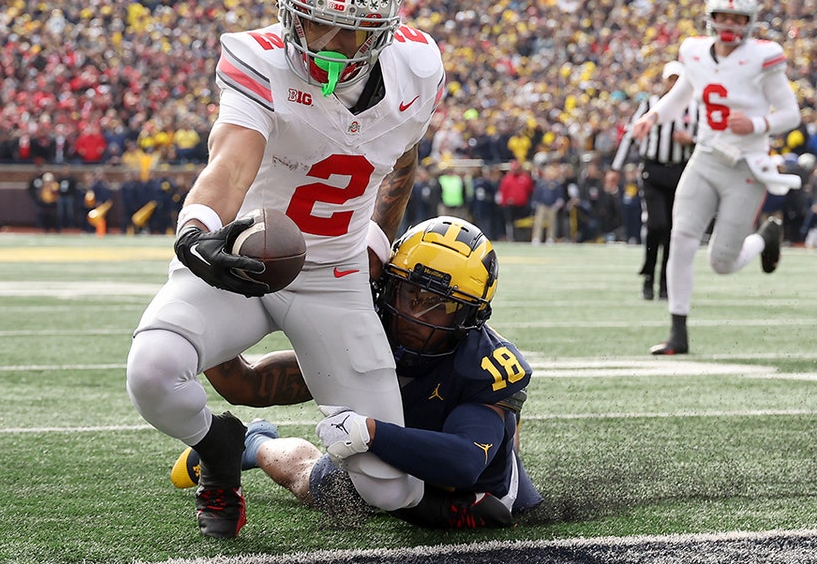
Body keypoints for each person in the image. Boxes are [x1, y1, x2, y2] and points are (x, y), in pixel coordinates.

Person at [125, 0, 442, 539]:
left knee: (390, 487)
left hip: (336, 274)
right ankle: (218, 447)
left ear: (380, 30)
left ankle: (266, 449)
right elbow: (231, 159)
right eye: (310, 19)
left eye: (346, 29)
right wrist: (199, 229)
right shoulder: (258, 57)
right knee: (154, 371)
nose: (321, 40)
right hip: (246, 255)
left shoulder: (418, 68)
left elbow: (403, 157)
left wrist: (379, 240)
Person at [169, 217, 540, 529]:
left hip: (450, 480)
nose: (415, 314)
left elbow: (464, 463)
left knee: (500, 502)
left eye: (439, 306)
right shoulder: (364, 327)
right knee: (310, 479)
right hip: (383, 452)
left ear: (470, 317)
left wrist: (370, 431)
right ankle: (254, 443)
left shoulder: (484, 364)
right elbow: (247, 384)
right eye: (408, 292)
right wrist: (212, 305)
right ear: (387, 284)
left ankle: (256, 443)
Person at [629, 0, 801, 355]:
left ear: (750, 22)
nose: (729, 24)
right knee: (681, 238)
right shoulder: (694, 52)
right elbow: (682, 95)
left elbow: (791, 113)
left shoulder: (763, 56)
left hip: (745, 165)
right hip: (705, 157)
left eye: (737, 18)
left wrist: (756, 125)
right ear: (710, 17)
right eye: (723, 16)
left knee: (722, 262)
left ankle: (763, 238)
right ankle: (678, 333)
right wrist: (654, 117)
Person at [613, 61, 698, 300]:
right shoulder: (650, 105)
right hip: (653, 170)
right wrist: (616, 167)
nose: (673, 84)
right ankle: (649, 274)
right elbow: (632, 133)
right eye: (670, 79)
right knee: (656, 225)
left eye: (677, 80)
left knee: (674, 230)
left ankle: (665, 282)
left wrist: (691, 139)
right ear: (664, 81)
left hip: (681, 172)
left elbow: (707, 136)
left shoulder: (693, 106)